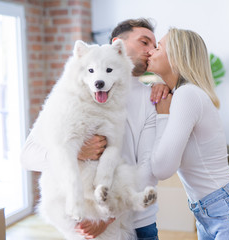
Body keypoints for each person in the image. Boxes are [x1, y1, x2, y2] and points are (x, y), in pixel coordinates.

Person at [21, 18, 170, 240]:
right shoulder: (71, 94)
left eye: (154, 46)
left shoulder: (155, 96)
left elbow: (148, 167)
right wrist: (75, 151)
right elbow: (27, 156)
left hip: (137, 222)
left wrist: (108, 218)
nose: (150, 51)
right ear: (118, 44)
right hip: (83, 222)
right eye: (144, 42)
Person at [147, 28, 229, 240]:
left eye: (158, 47)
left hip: (227, 213)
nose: (150, 52)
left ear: (177, 56)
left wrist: (162, 115)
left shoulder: (187, 95)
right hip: (215, 212)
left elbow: (163, 168)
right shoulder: (186, 93)